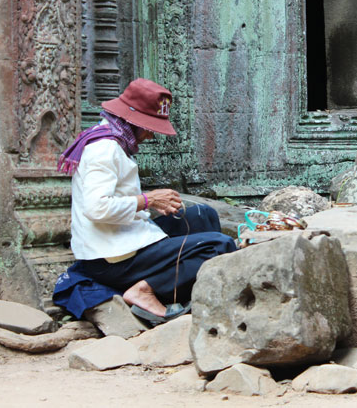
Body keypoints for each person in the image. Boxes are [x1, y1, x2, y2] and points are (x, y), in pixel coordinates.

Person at [55, 78, 236, 324]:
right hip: (112, 260)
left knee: (204, 216)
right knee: (219, 246)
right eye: (149, 126)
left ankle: (186, 289)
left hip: (124, 240)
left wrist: (150, 203)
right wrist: (147, 200)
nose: (151, 134)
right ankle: (142, 290)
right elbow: (97, 208)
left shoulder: (117, 142)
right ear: (132, 119)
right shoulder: (104, 149)